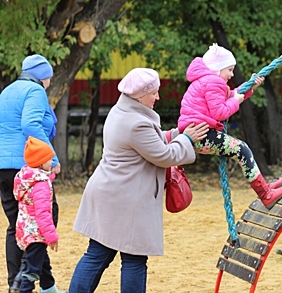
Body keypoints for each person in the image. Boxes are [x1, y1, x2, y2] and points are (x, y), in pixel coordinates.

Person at [68, 68, 209, 293]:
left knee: (97, 255)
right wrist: (187, 139)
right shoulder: (137, 123)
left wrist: (174, 135)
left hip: (112, 194)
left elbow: (147, 144)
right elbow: (165, 156)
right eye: (154, 92)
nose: (158, 97)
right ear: (140, 95)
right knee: (133, 259)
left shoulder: (122, 111)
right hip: (124, 200)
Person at [178, 44, 282, 209]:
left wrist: (250, 86)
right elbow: (220, 112)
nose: (232, 74)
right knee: (242, 149)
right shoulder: (213, 82)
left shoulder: (206, 81)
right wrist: (236, 101)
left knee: (241, 150)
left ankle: (264, 187)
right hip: (202, 135)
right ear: (217, 69)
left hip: (199, 133)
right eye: (229, 69)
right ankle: (265, 194)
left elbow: (230, 94)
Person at [0, 54, 61, 293]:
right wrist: (51, 158)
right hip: (26, 166)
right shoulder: (35, 91)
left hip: (3, 168)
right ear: (44, 76)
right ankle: (24, 281)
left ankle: (33, 284)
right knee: (46, 218)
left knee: (17, 226)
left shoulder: (7, 91)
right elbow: (31, 125)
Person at [14, 137, 66, 293]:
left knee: (42, 263)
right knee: (32, 270)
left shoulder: (26, 178)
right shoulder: (40, 184)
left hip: (26, 230)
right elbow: (42, 213)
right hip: (36, 233)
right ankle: (25, 290)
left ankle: (49, 289)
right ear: (40, 162)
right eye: (49, 159)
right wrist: (51, 236)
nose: (52, 162)